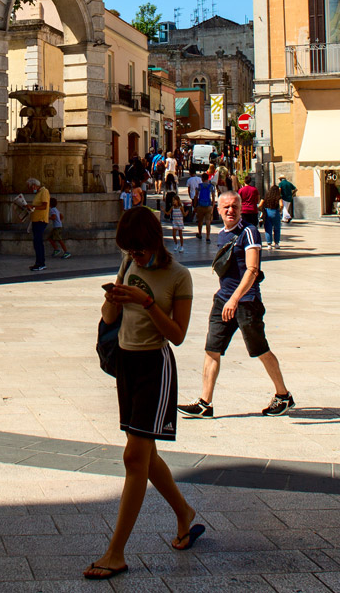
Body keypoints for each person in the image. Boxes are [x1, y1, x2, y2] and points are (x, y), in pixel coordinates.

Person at [86, 206, 200, 581]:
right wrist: (115, 298)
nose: (134, 256)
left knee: (134, 456)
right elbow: (108, 318)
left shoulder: (178, 276)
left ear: (154, 241)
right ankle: (184, 513)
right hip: (126, 363)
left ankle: (116, 553)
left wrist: (146, 302)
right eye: (129, 251)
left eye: (138, 250)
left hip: (155, 367)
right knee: (145, 456)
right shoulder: (128, 264)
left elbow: (178, 335)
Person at [177, 191, 295, 418]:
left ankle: (283, 395)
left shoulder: (249, 232)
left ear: (241, 209)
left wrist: (234, 299)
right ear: (218, 210)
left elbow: (253, 270)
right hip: (223, 300)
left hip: (246, 302)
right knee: (212, 349)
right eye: (226, 207)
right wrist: (227, 298)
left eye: (234, 207)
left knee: (260, 350)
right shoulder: (222, 234)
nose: (230, 211)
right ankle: (205, 403)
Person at [24, 177, 51, 272]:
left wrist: (33, 206)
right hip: (35, 220)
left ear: (34, 185)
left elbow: (44, 206)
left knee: (38, 242)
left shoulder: (44, 191)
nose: (30, 190)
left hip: (41, 220)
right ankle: (38, 263)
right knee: (36, 243)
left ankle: (41, 263)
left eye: (30, 187)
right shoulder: (38, 193)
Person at [194, 172, 215, 242]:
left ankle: (200, 234)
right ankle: (208, 237)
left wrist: (195, 205)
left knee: (200, 221)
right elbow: (213, 198)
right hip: (208, 205)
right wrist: (213, 206)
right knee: (208, 221)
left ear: (202, 179)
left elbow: (196, 196)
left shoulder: (199, 186)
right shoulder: (211, 186)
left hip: (200, 205)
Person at [262, 184, 283, 249]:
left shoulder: (266, 196)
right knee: (277, 229)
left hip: (268, 212)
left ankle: (269, 244)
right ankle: (276, 243)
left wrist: (262, 210)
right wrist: (280, 210)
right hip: (276, 212)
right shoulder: (278, 197)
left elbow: (260, 204)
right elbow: (281, 205)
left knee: (268, 229)